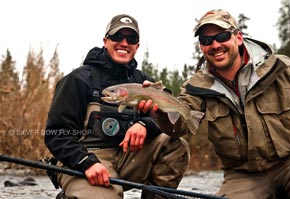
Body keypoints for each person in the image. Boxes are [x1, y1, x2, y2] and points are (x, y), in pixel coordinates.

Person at [138, 9, 290, 199]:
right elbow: (179, 127)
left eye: (222, 36)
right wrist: (160, 110)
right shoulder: (196, 87)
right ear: (201, 47)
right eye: (206, 41)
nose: (215, 45)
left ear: (238, 38)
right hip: (243, 175)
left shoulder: (281, 68)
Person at [44, 14, 190, 199]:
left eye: (131, 39)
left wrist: (147, 123)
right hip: (82, 161)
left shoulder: (143, 82)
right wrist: (86, 162)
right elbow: (55, 135)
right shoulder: (78, 80)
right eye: (117, 37)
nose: (124, 43)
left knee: (175, 145)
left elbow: (170, 118)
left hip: (128, 158)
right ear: (105, 41)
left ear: (137, 46)